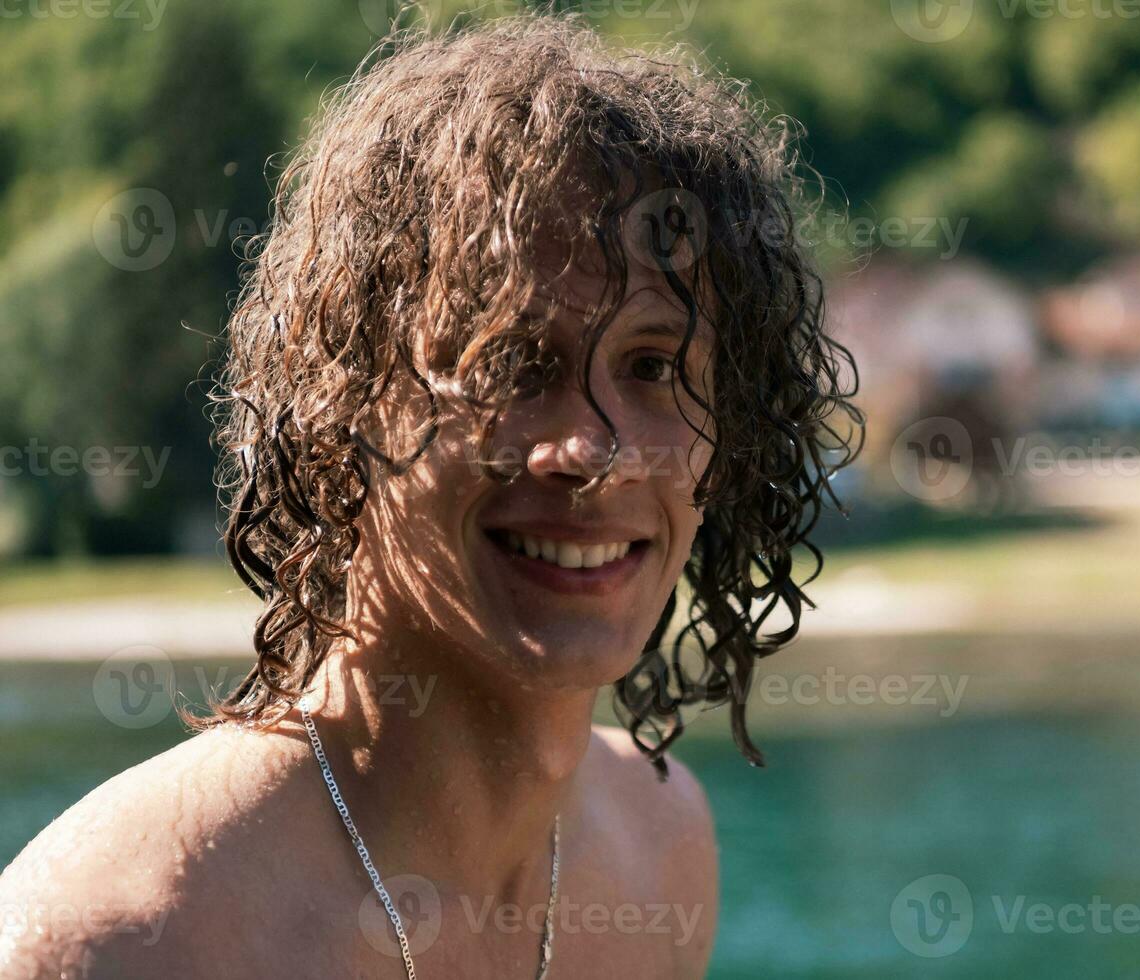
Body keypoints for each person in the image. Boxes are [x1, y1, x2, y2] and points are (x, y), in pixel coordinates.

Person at [0, 14, 861, 978]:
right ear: (338, 400)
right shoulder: (125, 936)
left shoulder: (660, 850)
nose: (594, 450)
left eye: (654, 364)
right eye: (512, 363)